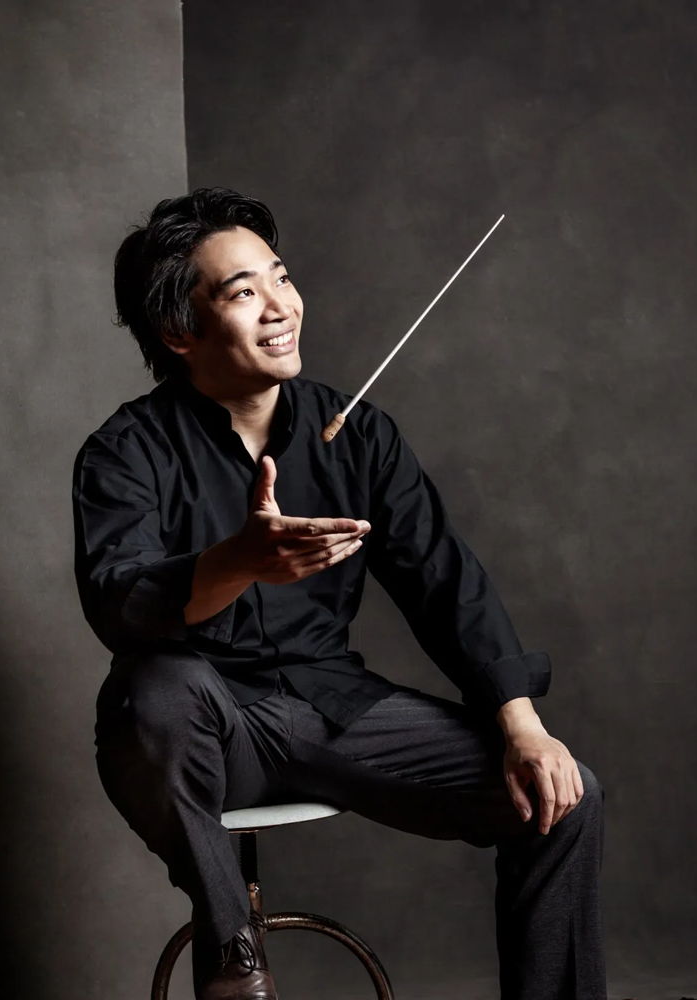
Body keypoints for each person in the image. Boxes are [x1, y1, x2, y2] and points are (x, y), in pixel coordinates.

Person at [73, 187, 606, 1000]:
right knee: (155, 687)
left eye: (281, 278)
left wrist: (522, 726)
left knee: (565, 799)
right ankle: (234, 955)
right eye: (243, 292)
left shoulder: (357, 433)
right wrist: (237, 562)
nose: (280, 306)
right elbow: (121, 608)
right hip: (204, 731)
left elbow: (444, 580)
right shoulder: (125, 451)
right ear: (180, 330)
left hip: (332, 711)